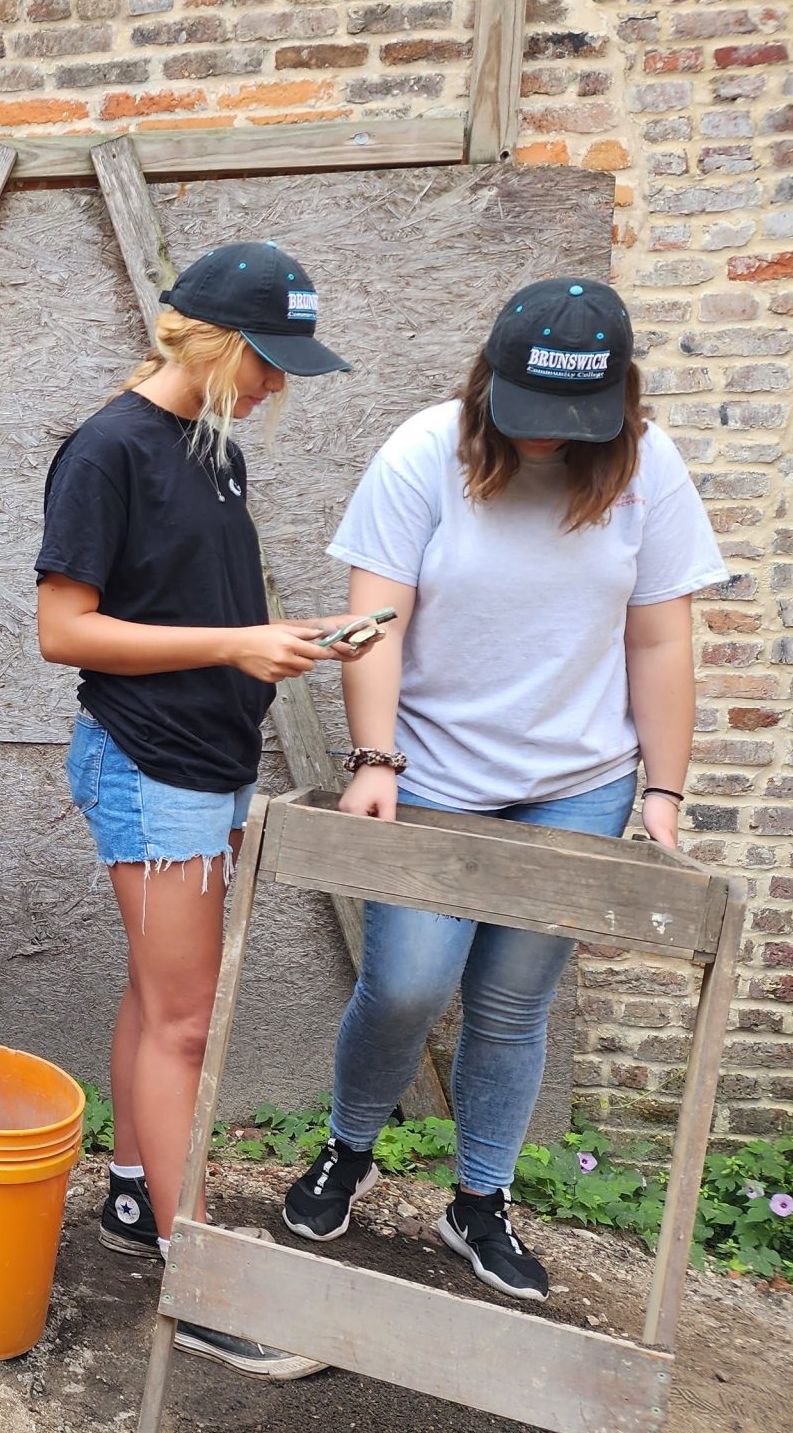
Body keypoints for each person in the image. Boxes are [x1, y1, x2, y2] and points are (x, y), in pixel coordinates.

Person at [281, 277, 727, 1301]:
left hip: (576, 782)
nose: (544, 441)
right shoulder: (421, 453)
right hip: (431, 772)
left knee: (514, 1004)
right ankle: (348, 1149)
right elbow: (374, 625)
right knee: (405, 984)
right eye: (526, 414)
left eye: (571, 422)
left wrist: (660, 794)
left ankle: (478, 1201)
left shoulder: (648, 469)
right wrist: (374, 760)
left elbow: (658, 637)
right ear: (488, 384)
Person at [35, 241, 359, 1379]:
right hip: (148, 763)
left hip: (205, 755)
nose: (275, 388)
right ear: (215, 344)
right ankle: (202, 1275)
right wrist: (233, 643)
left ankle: (133, 1193)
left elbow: (184, 602)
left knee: (155, 994)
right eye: (266, 363)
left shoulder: (209, 447)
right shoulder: (108, 448)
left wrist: (278, 643)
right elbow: (62, 631)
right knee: (185, 1023)